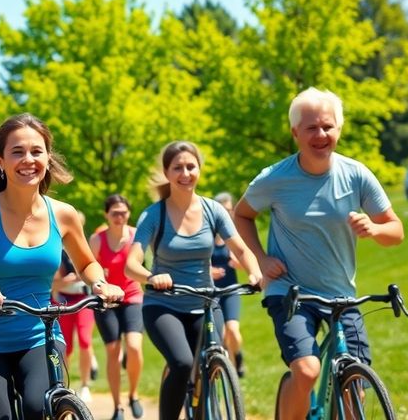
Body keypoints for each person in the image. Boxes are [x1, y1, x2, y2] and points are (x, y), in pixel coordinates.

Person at [0, 113, 124, 420]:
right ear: (0, 160)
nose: (28, 159)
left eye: (37, 151)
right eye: (17, 152)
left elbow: (87, 262)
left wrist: (99, 283)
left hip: (40, 335)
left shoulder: (64, 215)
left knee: (40, 406)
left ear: (48, 157)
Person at [233, 87, 404, 420]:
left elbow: (395, 231)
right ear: (295, 132)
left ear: (338, 129)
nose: (321, 135)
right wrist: (260, 259)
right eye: (311, 128)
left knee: (354, 382)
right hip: (290, 292)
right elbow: (241, 215)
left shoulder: (356, 174)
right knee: (308, 371)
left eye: (328, 126)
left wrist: (374, 228)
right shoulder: (275, 178)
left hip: (341, 294)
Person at [125, 141, 263, 420]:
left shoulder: (214, 210)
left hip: (205, 301)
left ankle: (202, 407)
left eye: (191, 166)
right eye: (178, 168)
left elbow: (240, 248)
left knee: (211, 360)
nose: (185, 173)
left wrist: (254, 271)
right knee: (182, 362)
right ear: (167, 172)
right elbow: (130, 265)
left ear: (199, 169)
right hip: (164, 305)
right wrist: (152, 276)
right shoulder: (154, 215)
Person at [90, 195, 146, 420]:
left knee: (133, 347)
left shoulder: (136, 236)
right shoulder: (97, 240)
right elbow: (89, 268)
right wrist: (98, 280)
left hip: (132, 296)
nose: (119, 217)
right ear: (106, 214)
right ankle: (118, 406)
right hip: (107, 301)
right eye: (114, 213)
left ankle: (133, 394)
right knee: (113, 351)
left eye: (123, 212)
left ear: (129, 214)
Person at [52, 245, 99, 403]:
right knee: (66, 346)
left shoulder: (84, 248)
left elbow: (97, 274)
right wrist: (67, 280)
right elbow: (53, 285)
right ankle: (64, 384)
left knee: (85, 340)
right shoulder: (57, 251)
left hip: (84, 301)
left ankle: (85, 385)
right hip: (62, 301)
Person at [211, 191, 247, 377]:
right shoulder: (206, 235)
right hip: (212, 292)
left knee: (233, 330)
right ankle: (229, 372)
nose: (228, 213)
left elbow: (246, 261)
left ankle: (238, 355)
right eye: (224, 210)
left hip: (231, 290)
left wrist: (238, 262)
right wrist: (210, 271)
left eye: (230, 210)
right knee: (221, 334)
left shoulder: (233, 237)